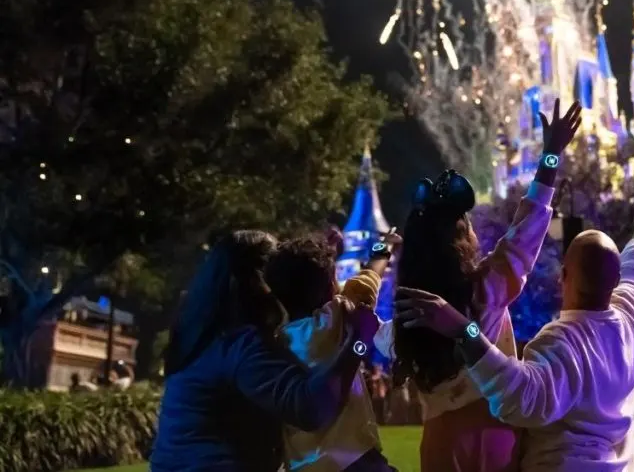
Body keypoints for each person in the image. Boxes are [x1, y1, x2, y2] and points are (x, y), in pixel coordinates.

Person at [378, 100, 583, 472]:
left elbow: (374, 331)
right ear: (462, 239)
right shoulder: (485, 291)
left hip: (440, 445)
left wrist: (376, 261)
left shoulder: (407, 315)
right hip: (497, 435)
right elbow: (529, 227)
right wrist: (550, 155)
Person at [396, 211, 634, 472]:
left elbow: (520, 397)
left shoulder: (563, 343)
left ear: (563, 277)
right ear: (615, 280)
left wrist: (464, 331)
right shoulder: (630, 316)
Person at [150, 230, 377, 472]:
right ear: (257, 280)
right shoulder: (238, 345)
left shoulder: (200, 333)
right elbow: (310, 408)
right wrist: (359, 342)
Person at [267, 230, 397, 472]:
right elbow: (366, 280)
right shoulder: (337, 318)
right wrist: (384, 247)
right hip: (355, 460)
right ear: (330, 288)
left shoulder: (272, 342)